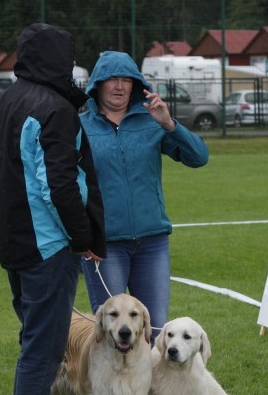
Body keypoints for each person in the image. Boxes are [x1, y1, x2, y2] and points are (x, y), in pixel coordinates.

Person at [0, 23, 106, 395]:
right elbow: (59, 186)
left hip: (11, 243)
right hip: (46, 246)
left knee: (35, 339)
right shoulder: (54, 110)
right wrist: (83, 237)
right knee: (44, 346)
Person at [79, 50, 209, 344]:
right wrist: (84, 235)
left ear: (136, 85)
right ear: (97, 85)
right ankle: (111, 393)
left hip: (153, 244)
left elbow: (199, 157)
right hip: (104, 246)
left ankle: (149, 392)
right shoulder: (81, 127)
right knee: (114, 335)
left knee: (155, 331)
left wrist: (169, 124)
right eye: (111, 79)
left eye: (126, 79)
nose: (119, 86)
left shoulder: (152, 122)